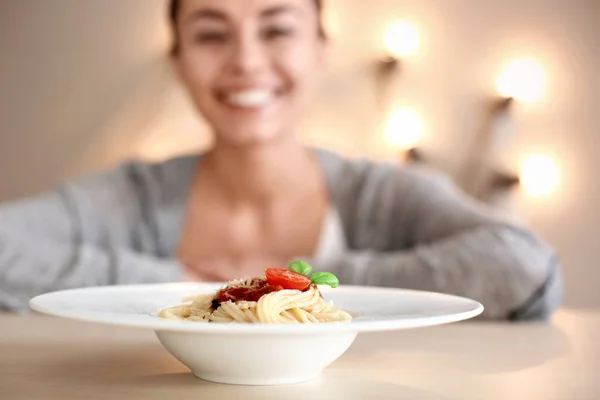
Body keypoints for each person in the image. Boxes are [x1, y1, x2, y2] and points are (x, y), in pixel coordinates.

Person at [0, 0, 561, 319]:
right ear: (177, 61)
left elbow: (523, 266)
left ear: (321, 49)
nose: (246, 61)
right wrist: (173, 286)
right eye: (211, 34)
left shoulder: (380, 194)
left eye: (276, 29)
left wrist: (298, 288)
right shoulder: (133, 197)